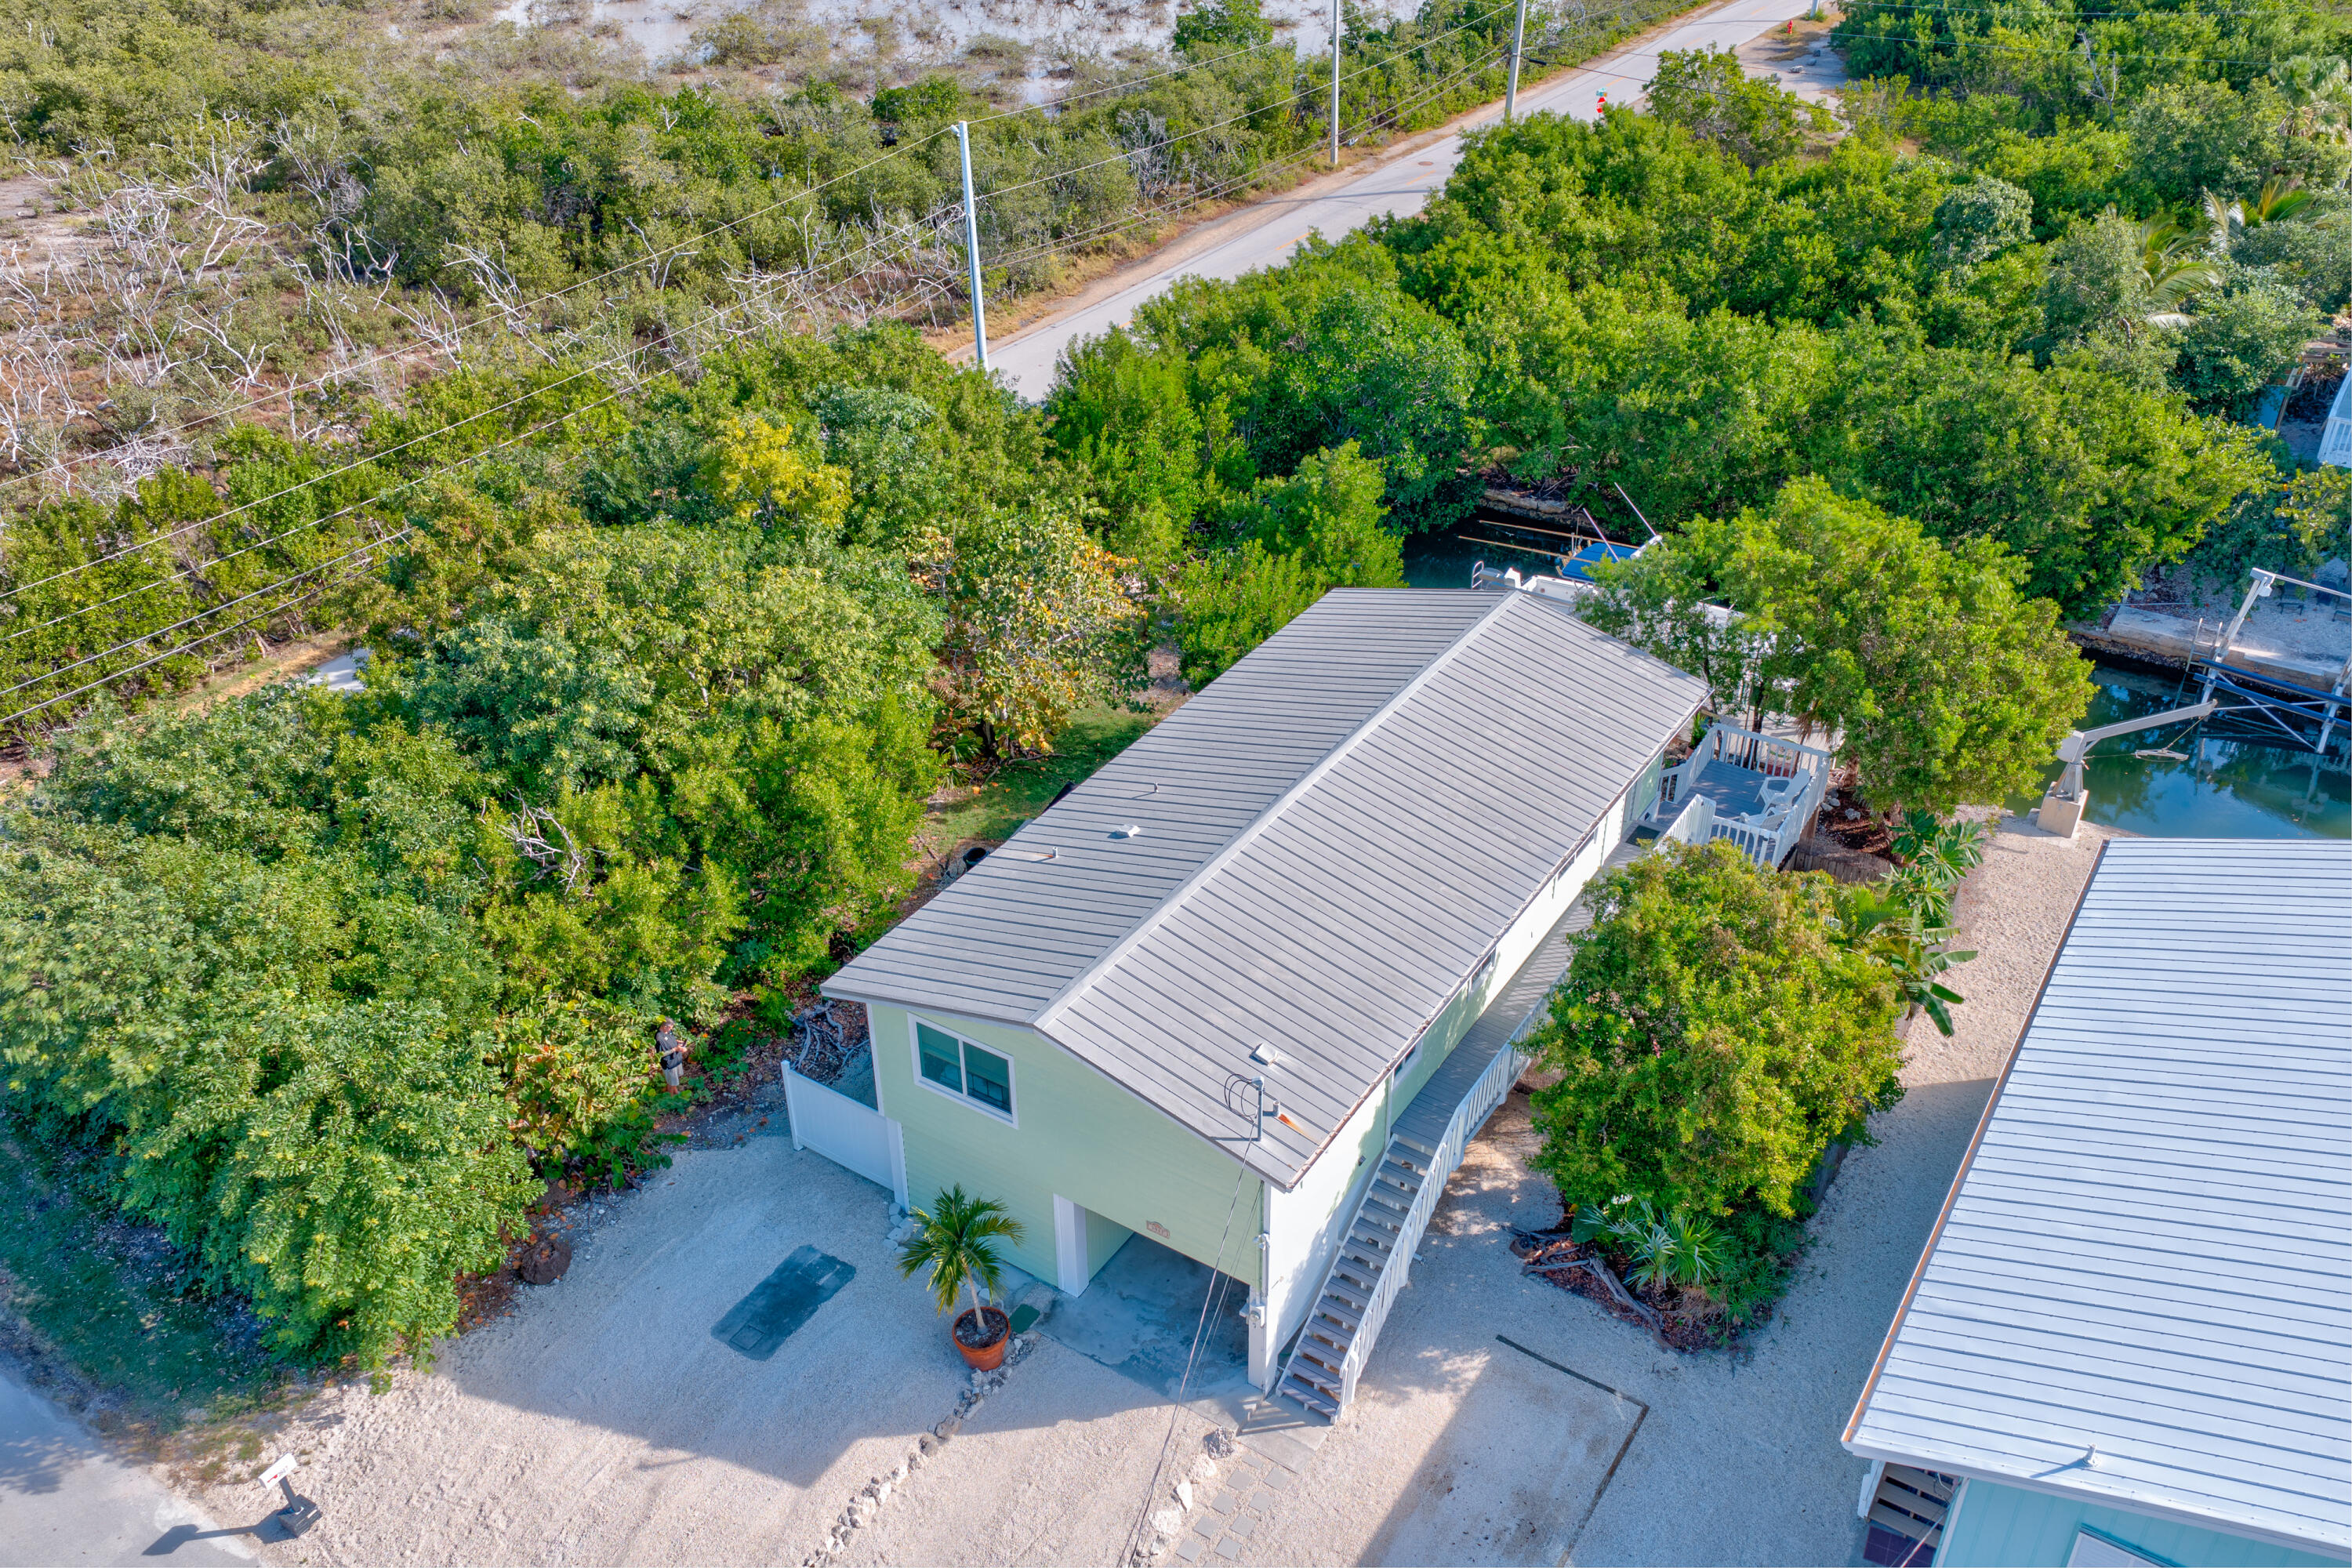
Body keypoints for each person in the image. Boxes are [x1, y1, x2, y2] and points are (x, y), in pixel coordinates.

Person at [656, 1018, 686, 1090]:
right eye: (670, 1028)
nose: (671, 1029)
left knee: (674, 1082)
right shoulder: (659, 1038)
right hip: (669, 1064)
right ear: (664, 1027)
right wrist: (675, 1049)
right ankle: (671, 1095)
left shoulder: (668, 1031)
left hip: (676, 1059)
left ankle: (675, 1092)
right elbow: (661, 1054)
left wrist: (678, 1042)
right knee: (671, 1083)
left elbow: (670, 1039)